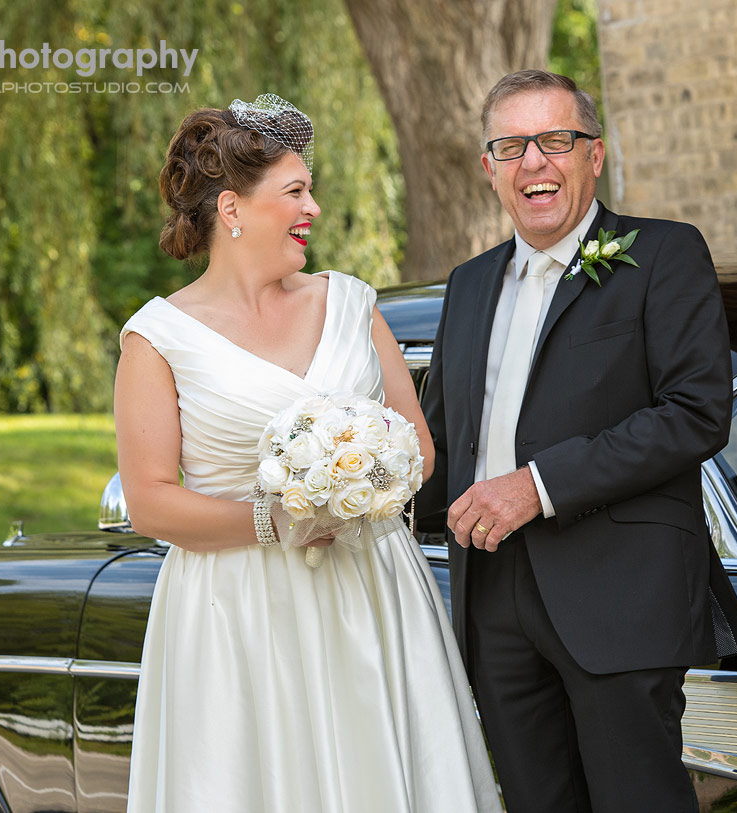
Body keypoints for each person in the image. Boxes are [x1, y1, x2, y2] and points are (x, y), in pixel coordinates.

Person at [115, 94, 500, 813]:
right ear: (232, 208)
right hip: (237, 613)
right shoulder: (157, 337)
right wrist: (277, 521)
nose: (314, 209)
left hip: (370, 589)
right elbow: (150, 499)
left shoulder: (351, 303)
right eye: (296, 192)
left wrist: (368, 476)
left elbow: (417, 444)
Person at [419, 70, 737, 812]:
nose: (534, 162)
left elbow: (694, 412)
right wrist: (340, 492)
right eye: (512, 146)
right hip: (493, 599)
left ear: (594, 156)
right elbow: (440, 444)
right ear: (489, 167)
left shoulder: (665, 256)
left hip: (619, 592)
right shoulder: (469, 283)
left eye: (556, 141)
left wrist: (536, 484)